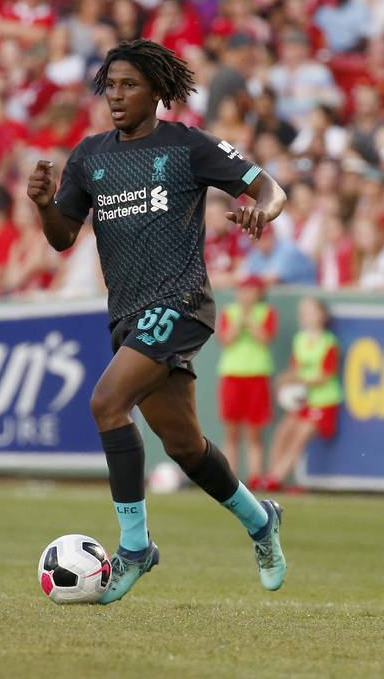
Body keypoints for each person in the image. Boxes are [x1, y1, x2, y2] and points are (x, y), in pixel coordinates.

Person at [26, 39, 289, 604]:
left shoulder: (187, 146)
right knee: (185, 446)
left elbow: (269, 188)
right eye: (111, 86)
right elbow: (62, 237)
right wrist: (45, 204)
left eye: (130, 86)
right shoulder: (90, 156)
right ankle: (260, 521)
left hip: (182, 303)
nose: (116, 96)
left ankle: (135, 547)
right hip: (126, 313)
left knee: (105, 403)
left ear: (158, 92)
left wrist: (260, 210)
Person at [261, 297, 342, 492]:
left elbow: (324, 376)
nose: (307, 316)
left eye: (312, 311)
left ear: (323, 315)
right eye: (304, 312)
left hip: (324, 401)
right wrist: (285, 379)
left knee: (299, 436)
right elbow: (296, 368)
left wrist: (296, 380)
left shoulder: (329, 342)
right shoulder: (300, 340)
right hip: (304, 401)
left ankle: (275, 479)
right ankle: (271, 474)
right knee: (283, 432)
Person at [216, 274, 277, 489]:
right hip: (232, 374)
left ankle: (254, 476)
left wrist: (249, 317)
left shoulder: (266, 313)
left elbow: (264, 338)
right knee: (231, 431)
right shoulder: (229, 312)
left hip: (257, 375)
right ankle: (231, 477)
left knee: (254, 432)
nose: (246, 294)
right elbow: (226, 339)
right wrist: (240, 317)